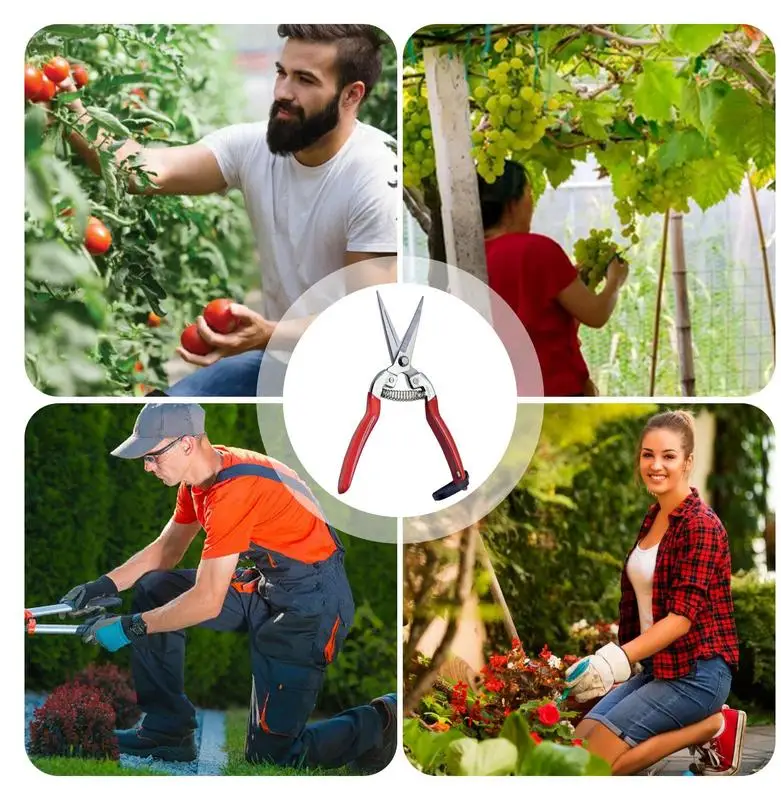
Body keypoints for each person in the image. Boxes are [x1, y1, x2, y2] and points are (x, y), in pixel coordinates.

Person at [58, 25, 397, 396]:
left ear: (351, 95)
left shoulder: (374, 174)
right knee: (170, 406)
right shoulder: (253, 146)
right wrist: (68, 107)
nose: (283, 92)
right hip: (285, 357)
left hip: (360, 378)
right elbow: (141, 170)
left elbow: (368, 321)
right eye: (282, 72)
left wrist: (267, 334)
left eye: (305, 80)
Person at [59, 403, 395, 772]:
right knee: (158, 588)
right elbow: (167, 550)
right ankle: (167, 730)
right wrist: (101, 585)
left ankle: (384, 719)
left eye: (153, 456)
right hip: (268, 584)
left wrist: (131, 627)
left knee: (275, 757)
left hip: (311, 604)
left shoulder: (233, 490)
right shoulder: (199, 480)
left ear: (186, 444)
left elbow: (206, 601)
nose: (147, 466)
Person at [564, 410, 745, 776]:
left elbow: (680, 619)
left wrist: (610, 661)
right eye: (648, 454)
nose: (655, 465)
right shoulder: (654, 517)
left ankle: (713, 725)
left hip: (698, 674)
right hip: (658, 669)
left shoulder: (702, 526)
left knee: (589, 771)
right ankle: (683, 734)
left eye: (669, 456)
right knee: (574, 747)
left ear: (688, 462)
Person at [477, 160, 628, 396]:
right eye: (529, 194)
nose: (533, 204)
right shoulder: (538, 250)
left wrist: (578, 285)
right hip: (558, 392)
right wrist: (615, 281)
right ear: (511, 203)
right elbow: (596, 315)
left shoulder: (472, 258)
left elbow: (543, 322)